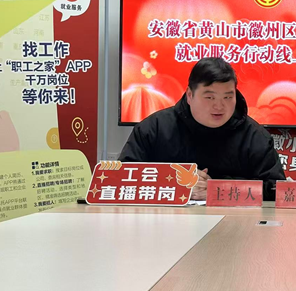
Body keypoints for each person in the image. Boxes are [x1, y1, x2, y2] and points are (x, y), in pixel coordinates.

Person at [119, 57, 285, 200]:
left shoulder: (255, 136)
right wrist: (176, 183)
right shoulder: (154, 129)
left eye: (228, 97)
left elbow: (276, 189)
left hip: (235, 222)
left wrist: (218, 189)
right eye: (209, 97)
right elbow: (122, 178)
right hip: (165, 221)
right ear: (190, 95)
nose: (219, 106)